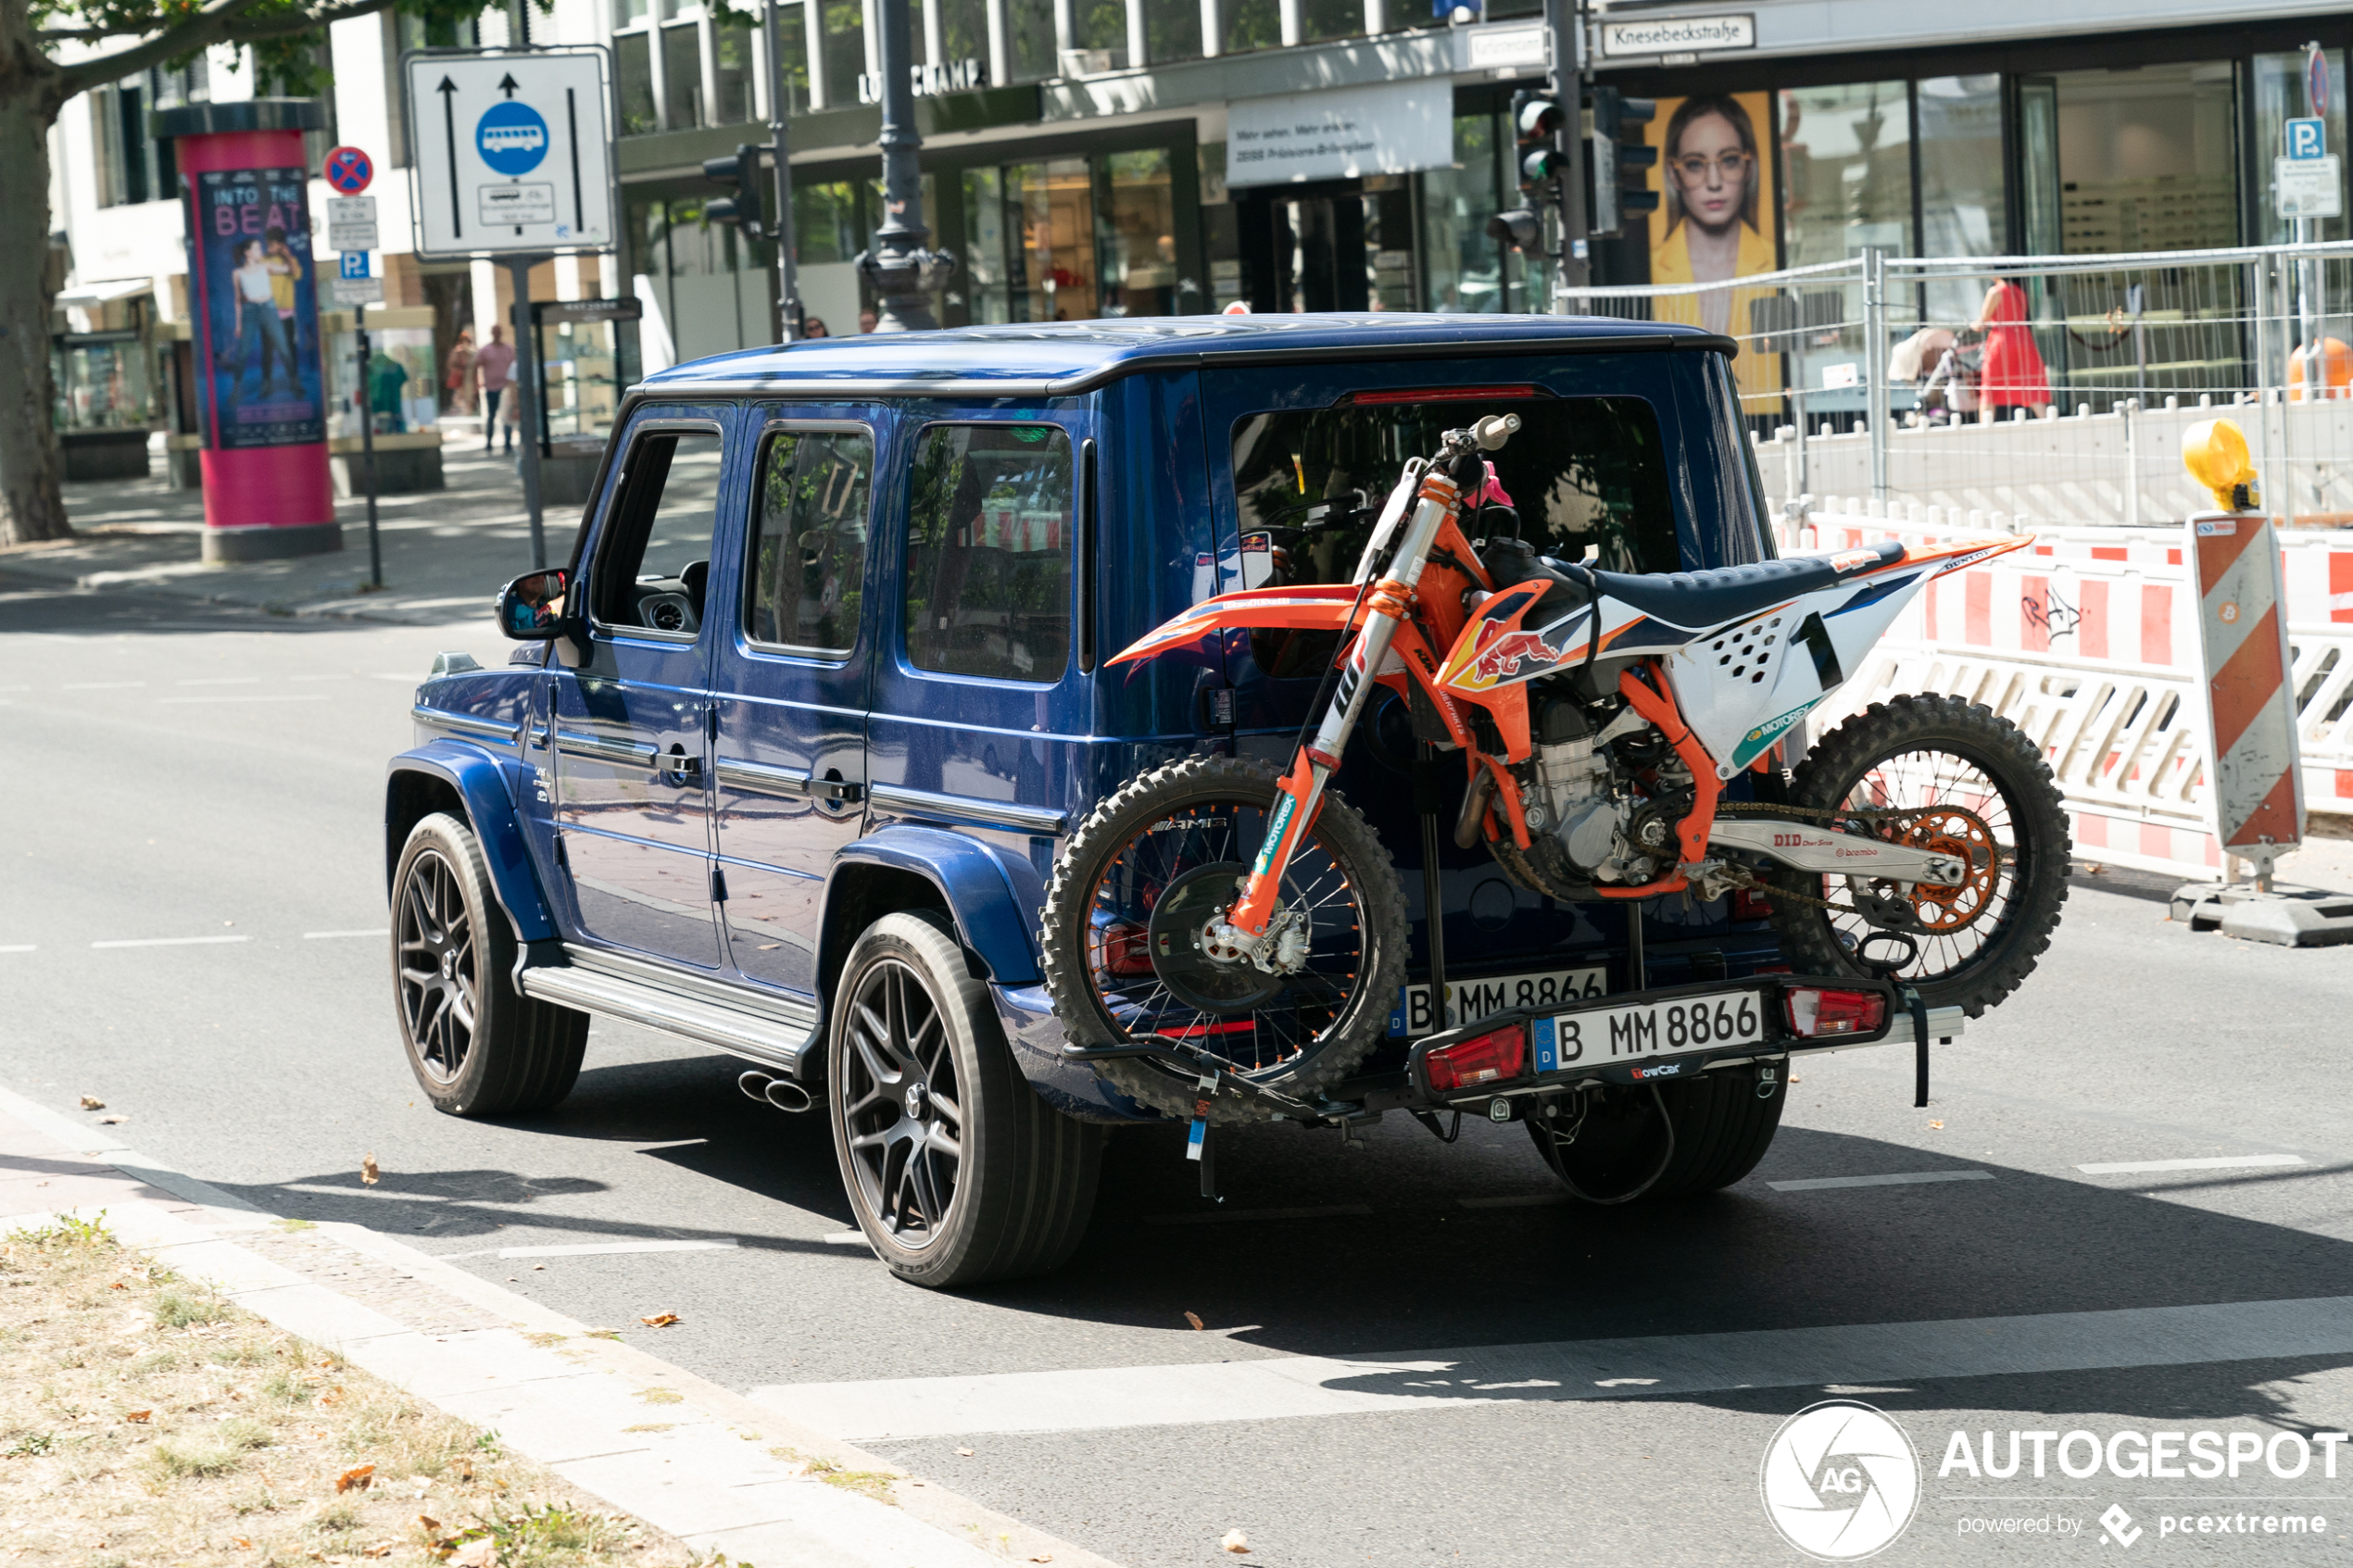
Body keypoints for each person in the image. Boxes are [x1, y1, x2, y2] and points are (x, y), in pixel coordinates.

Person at [1649, 95, 1774, 338]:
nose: (1714, 182)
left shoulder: (1776, 261)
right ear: (1674, 174)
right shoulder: (1650, 270)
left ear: (1749, 167)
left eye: (1729, 160)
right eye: (1695, 164)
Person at [1973, 278, 2050, 412]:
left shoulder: (1995, 292)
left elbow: (1983, 321)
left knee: (1990, 387)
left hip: (2001, 341)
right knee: (2029, 385)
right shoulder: (2020, 291)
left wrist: (1973, 325)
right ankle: (2047, 424)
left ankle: (1985, 428)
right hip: (2023, 339)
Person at [474, 324, 517, 454]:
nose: (497, 334)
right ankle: (489, 442)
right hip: (491, 388)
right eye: (495, 332)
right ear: (492, 333)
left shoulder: (509, 349)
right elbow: (476, 366)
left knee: (506, 416)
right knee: (491, 415)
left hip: (506, 387)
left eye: (499, 332)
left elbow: (514, 366)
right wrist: (476, 385)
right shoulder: (485, 350)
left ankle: (508, 444)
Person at [444, 330, 477, 417]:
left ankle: (469, 414)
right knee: (460, 400)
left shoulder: (472, 352)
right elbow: (450, 365)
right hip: (461, 379)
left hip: (470, 378)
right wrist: (460, 371)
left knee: (470, 398)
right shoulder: (457, 352)